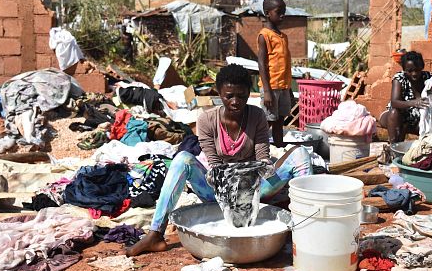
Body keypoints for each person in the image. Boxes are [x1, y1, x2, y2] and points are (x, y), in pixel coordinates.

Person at [126, 63, 312, 256]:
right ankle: (155, 233)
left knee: (300, 154)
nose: (235, 101)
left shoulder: (257, 116)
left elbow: (262, 154)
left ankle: (307, 229)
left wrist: (262, 170)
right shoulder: (207, 120)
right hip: (219, 192)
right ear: (219, 93)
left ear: (249, 94)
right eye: (229, 96)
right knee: (182, 159)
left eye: (241, 95)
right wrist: (231, 185)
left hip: (255, 191)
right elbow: (214, 165)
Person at [379, 51, 432, 143]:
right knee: (394, 112)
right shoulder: (399, 78)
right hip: (399, 117)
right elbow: (394, 102)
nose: (414, 74)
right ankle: (394, 148)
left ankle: (429, 146)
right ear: (404, 69)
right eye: (410, 71)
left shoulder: (428, 78)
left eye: (417, 70)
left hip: (419, 119)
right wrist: (414, 103)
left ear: (422, 67)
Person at [257, 0, 292, 147]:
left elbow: (284, 65)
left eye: (284, 12)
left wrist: (289, 89)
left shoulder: (283, 36)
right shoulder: (264, 36)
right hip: (271, 87)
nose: (282, 15)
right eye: (279, 12)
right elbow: (262, 64)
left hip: (283, 86)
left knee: (280, 120)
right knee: (268, 121)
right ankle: (259, 149)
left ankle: (278, 147)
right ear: (267, 13)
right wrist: (267, 90)